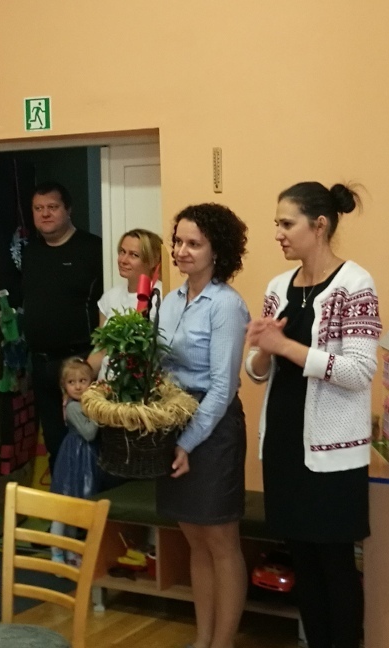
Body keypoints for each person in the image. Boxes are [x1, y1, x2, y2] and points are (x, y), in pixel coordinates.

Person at [245, 182, 379, 648]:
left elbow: (359, 371)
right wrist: (264, 351)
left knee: (334, 564)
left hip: (332, 452)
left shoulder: (355, 284)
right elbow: (256, 370)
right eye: (276, 224)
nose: (278, 234)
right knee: (301, 559)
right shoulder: (277, 287)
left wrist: (285, 347)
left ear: (319, 225)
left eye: (287, 223)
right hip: (284, 444)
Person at [156, 203, 250, 648]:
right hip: (173, 423)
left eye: (194, 243)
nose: (182, 250)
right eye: (178, 241)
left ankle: (223, 642)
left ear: (218, 251)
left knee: (220, 539)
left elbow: (223, 387)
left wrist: (188, 442)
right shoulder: (170, 301)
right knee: (193, 536)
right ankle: (203, 639)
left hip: (212, 429)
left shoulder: (226, 304)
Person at [21, 181, 103, 472]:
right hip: (42, 365)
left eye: (52, 207)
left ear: (68, 210)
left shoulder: (93, 249)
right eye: (38, 208)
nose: (45, 214)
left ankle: (90, 499)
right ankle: (61, 498)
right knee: (55, 444)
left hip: (79, 364)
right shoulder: (30, 252)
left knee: (87, 441)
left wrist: (92, 363)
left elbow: (107, 307)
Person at [88, 228, 164, 378]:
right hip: (106, 385)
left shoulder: (163, 297)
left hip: (143, 385)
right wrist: (79, 376)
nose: (123, 260)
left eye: (134, 255)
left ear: (153, 260)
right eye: (122, 252)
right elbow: (101, 350)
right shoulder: (110, 297)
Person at [49, 357, 99, 566]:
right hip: (73, 457)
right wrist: (98, 412)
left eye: (82, 381)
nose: (78, 386)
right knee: (63, 507)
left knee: (75, 507)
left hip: (84, 457)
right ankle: (56, 552)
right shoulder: (73, 408)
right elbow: (89, 432)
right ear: (64, 385)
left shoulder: (82, 404)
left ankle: (70, 552)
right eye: (72, 382)